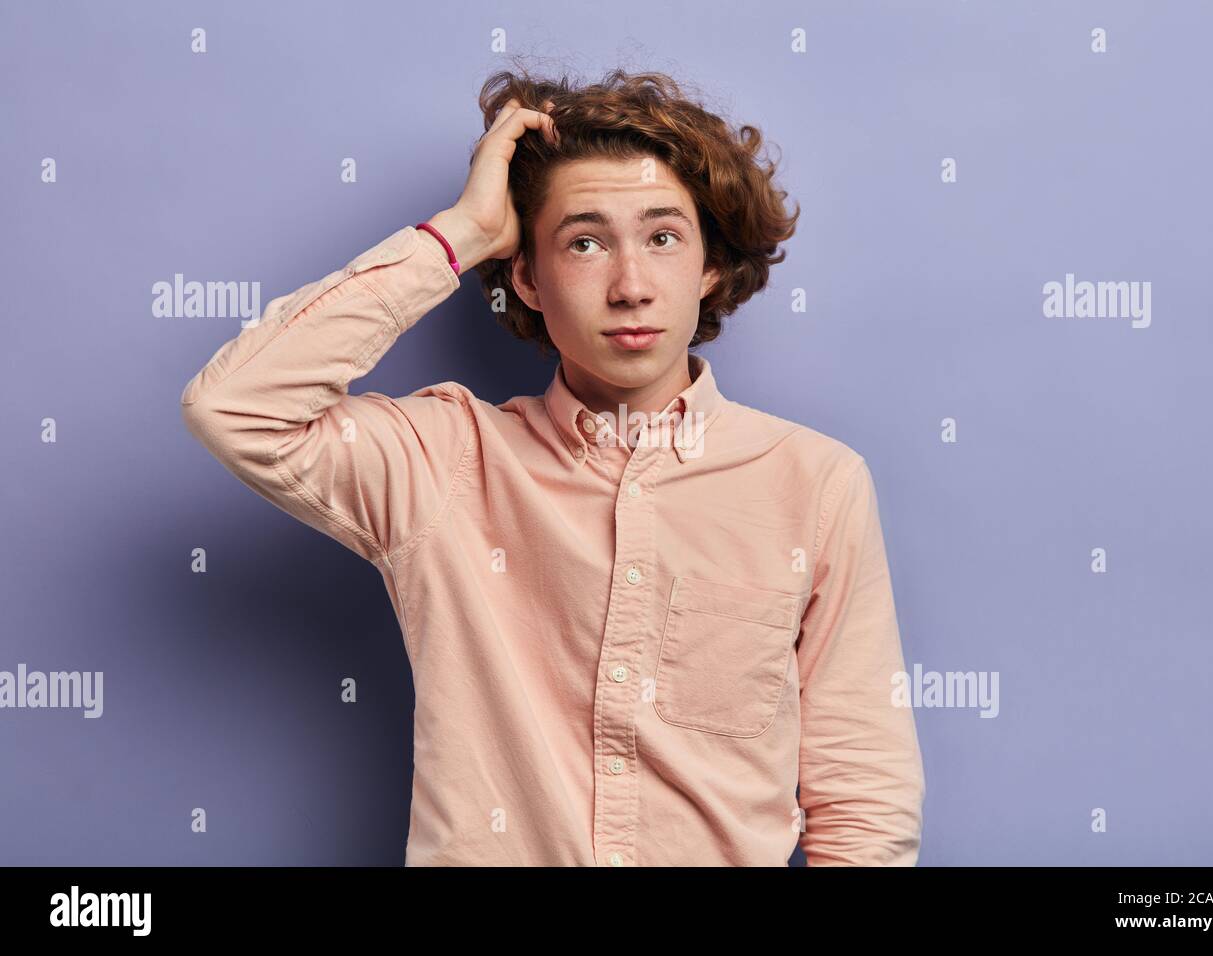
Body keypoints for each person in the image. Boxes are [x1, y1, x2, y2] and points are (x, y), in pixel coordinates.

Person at [180, 67, 924, 866]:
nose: (631, 286)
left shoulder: (814, 483)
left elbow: (863, 795)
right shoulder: (442, 461)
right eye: (585, 242)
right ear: (527, 278)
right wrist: (460, 234)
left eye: (664, 237)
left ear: (710, 265)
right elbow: (234, 405)